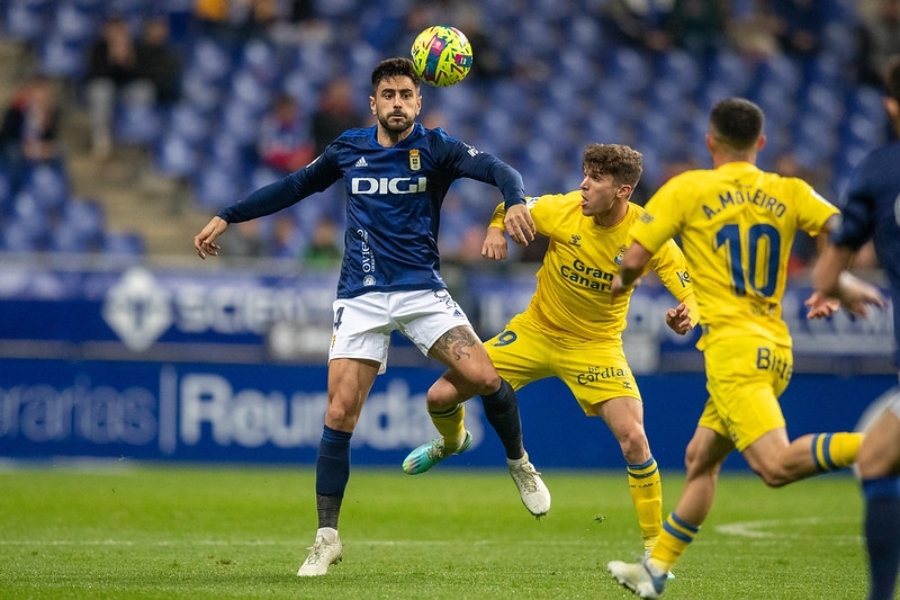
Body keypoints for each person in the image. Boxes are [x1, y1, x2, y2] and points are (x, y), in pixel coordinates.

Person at [192, 57, 549, 577]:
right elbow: (292, 187)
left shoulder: (436, 147)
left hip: (421, 291)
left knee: (486, 378)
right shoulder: (348, 149)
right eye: (390, 95)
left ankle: (519, 463)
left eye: (407, 94)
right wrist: (228, 214)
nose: (399, 103)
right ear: (374, 103)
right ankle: (326, 537)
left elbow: (500, 170)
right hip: (360, 295)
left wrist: (514, 200)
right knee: (339, 414)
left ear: (419, 102)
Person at [606, 97, 868, 598]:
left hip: (733, 354)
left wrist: (622, 282)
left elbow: (637, 253)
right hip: (775, 350)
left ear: (710, 142)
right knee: (700, 457)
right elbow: (844, 228)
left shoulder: (688, 188)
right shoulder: (788, 190)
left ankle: (881, 445)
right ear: (760, 144)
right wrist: (834, 281)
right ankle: (655, 570)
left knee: (775, 466)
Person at [402, 144, 697, 560]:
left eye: (596, 179)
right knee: (439, 398)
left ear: (623, 191)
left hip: (596, 346)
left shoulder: (648, 232)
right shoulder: (563, 209)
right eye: (584, 174)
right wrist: (494, 230)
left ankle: (655, 551)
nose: (583, 185)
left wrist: (689, 312)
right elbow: (512, 207)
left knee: (634, 439)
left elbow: (689, 288)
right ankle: (452, 443)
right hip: (535, 331)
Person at [811, 54, 900, 600]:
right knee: (877, 450)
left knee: (875, 457)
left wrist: (835, 288)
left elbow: (828, 268)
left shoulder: (881, 169)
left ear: (891, 105)